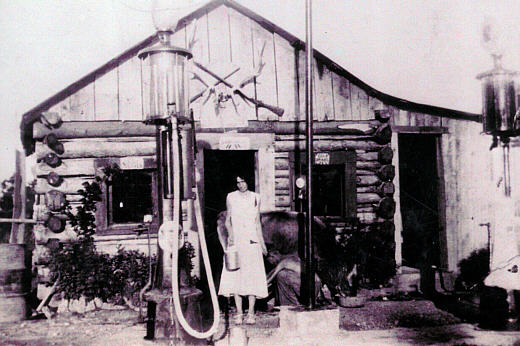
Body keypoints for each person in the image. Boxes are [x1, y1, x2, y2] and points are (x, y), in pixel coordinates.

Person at [218, 176, 268, 325]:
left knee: (252, 276)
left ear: (248, 181)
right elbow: (228, 220)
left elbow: (257, 222)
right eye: (238, 182)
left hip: (252, 241)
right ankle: (239, 313)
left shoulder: (255, 198)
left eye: (243, 181)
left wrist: (262, 243)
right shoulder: (231, 197)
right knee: (236, 277)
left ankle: (251, 313)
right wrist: (231, 235)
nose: (241, 185)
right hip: (236, 242)